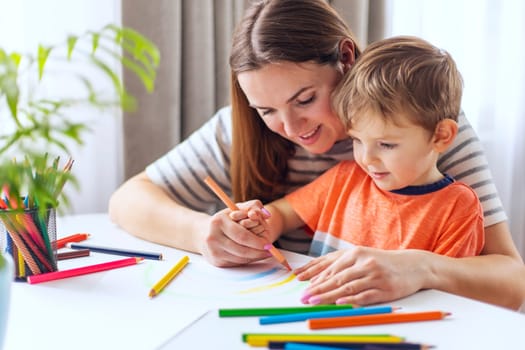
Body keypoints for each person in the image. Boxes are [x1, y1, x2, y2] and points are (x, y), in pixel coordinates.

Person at [108, 0, 525, 310]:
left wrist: (421, 267)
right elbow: (128, 199)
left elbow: (512, 279)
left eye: (304, 99)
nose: (291, 128)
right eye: (267, 111)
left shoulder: (418, 125)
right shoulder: (244, 130)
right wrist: (202, 233)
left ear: (345, 59)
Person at [233, 36, 485, 305]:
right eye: (356, 140)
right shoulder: (345, 178)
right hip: (316, 314)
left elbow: (451, 297)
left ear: (442, 136)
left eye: (386, 144)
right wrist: (258, 222)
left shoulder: (458, 207)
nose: (367, 159)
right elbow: (282, 214)